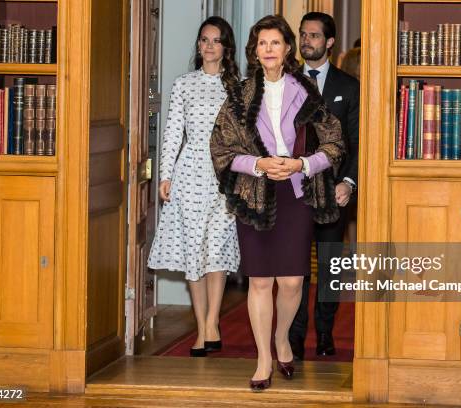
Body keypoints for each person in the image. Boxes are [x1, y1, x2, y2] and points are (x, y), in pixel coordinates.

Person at [210, 15, 344, 391]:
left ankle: (282, 337)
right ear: (255, 51)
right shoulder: (239, 95)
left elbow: (335, 144)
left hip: (296, 194)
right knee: (259, 281)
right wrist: (257, 164)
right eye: (262, 43)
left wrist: (302, 163)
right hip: (255, 194)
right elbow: (219, 149)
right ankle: (264, 358)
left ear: (288, 49)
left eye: (275, 43)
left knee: (290, 281)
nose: (268, 49)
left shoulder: (307, 92)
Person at [147, 16, 240, 358]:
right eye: (204, 40)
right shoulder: (184, 84)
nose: (209, 45)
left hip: (224, 177)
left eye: (216, 40)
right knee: (194, 253)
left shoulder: (238, 87)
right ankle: (201, 327)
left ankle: (213, 322)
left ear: (226, 47)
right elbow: (172, 133)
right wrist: (165, 175)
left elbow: (244, 139)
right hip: (188, 175)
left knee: (216, 250)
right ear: (199, 45)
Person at [289, 12, 360, 361]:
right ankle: (296, 336)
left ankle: (326, 333)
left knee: (330, 266)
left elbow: (357, 141)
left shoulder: (348, 87)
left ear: (329, 42)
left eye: (314, 36)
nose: (307, 41)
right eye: (303, 35)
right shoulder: (285, 83)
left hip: (334, 191)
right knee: (296, 268)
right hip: (294, 193)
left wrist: (349, 182)